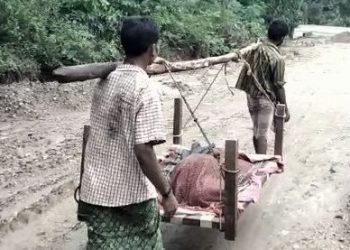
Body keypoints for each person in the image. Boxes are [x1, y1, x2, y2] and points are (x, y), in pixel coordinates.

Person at [77, 16, 178, 250]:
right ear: (153, 49)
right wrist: (166, 192)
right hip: (132, 196)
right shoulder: (145, 88)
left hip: (97, 192)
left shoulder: (105, 79)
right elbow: (143, 150)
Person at [235, 20, 290, 154]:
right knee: (262, 133)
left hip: (251, 95)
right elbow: (278, 86)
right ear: (282, 38)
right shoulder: (277, 58)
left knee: (256, 130)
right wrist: (285, 109)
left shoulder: (255, 47)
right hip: (265, 99)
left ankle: (258, 160)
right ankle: (261, 164)